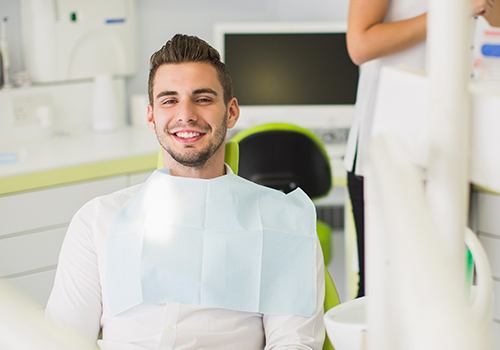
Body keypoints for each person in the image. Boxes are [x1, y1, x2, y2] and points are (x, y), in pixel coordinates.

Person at [45, 34, 325, 350]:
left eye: (203, 98)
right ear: (151, 116)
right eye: (169, 100)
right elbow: (60, 341)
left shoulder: (282, 221)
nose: (186, 114)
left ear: (231, 112)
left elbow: (294, 343)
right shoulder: (98, 220)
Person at [344, 0, 500, 297]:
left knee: (443, 288)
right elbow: (360, 44)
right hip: (389, 148)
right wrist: (453, 12)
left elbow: (494, 21)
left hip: (453, 145)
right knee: (383, 290)